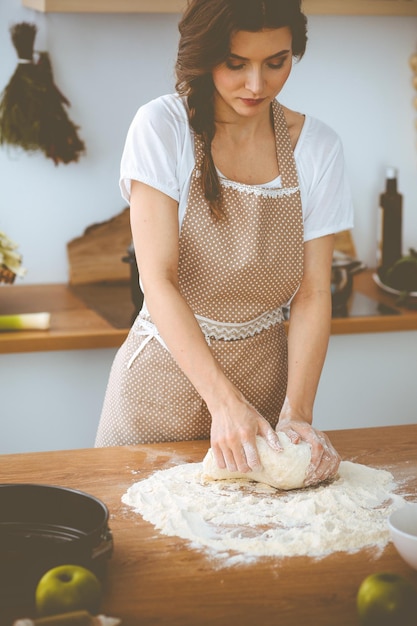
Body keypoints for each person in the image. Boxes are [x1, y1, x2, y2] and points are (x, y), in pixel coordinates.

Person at [95, 0, 354, 487]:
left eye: (276, 62)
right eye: (236, 64)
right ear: (205, 54)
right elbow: (159, 280)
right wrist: (223, 402)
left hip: (265, 389)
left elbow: (314, 292)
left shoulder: (318, 147)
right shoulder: (162, 127)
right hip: (159, 386)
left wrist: (297, 412)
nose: (257, 85)